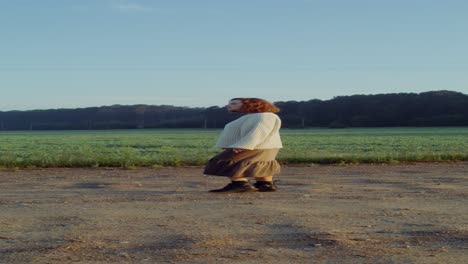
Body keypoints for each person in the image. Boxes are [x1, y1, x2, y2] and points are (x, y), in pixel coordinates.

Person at [204, 98, 283, 193]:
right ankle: (265, 185)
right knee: (260, 163)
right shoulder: (255, 116)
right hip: (262, 146)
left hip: (256, 146)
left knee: (224, 160)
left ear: (251, 105)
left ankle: (240, 184)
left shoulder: (265, 116)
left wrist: (244, 145)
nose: (229, 105)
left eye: (234, 103)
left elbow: (259, 132)